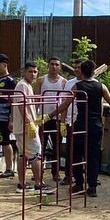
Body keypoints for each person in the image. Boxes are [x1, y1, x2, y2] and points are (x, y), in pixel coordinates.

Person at [56, 60, 110, 197]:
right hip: (95, 126)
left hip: (81, 125)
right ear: (94, 72)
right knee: (93, 157)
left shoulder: (77, 86)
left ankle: (78, 184)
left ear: (81, 71)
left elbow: (65, 104)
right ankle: (92, 186)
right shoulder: (101, 87)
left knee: (76, 155)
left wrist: (54, 118)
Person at [13, 60, 48, 193]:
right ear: (24, 72)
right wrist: (29, 123)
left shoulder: (26, 85)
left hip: (23, 127)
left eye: (35, 71)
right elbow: (22, 106)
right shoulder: (22, 85)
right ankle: (39, 183)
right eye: (30, 71)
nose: (33, 74)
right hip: (26, 127)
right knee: (36, 153)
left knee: (23, 155)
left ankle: (22, 184)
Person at [37, 57, 70, 186]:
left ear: (60, 67)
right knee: (41, 146)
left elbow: (65, 103)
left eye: (57, 64)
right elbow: (36, 99)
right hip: (43, 118)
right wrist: (35, 118)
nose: (54, 67)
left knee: (57, 147)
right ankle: (39, 172)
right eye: (52, 64)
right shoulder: (41, 80)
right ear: (48, 66)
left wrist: (62, 121)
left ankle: (55, 173)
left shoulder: (64, 82)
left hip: (56, 118)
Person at [0, 54, 20, 177]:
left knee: (5, 142)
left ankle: (9, 168)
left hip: (4, 117)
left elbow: (14, 101)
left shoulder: (10, 81)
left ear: (5, 65)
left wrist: (11, 119)